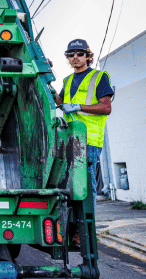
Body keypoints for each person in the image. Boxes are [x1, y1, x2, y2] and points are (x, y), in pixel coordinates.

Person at [55, 39, 114, 207]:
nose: (75, 57)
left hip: (88, 140)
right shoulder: (67, 80)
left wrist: (78, 107)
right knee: (69, 185)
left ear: (88, 56)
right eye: (70, 54)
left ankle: (86, 229)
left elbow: (106, 107)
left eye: (80, 54)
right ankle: (75, 229)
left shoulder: (99, 76)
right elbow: (60, 101)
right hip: (70, 137)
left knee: (85, 186)